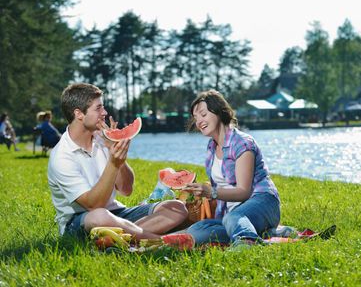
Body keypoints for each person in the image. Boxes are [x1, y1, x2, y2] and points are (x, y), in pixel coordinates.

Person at [47, 83, 188, 240]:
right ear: (79, 114)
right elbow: (93, 205)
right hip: (79, 221)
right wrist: (113, 163)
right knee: (99, 216)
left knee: (177, 208)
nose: (105, 112)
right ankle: (161, 242)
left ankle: (115, 238)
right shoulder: (62, 156)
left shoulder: (102, 139)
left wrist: (114, 151)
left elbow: (126, 189)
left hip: (116, 213)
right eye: (98, 108)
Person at [181, 89, 281, 248]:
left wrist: (211, 192)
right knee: (196, 230)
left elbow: (244, 191)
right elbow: (220, 187)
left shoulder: (242, 143)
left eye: (204, 114)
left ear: (219, 112)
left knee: (232, 218)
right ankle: (267, 232)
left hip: (262, 202)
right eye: (196, 117)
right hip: (232, 214)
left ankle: (248, 244)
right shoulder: (211, 147)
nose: (199, 121)